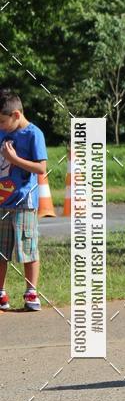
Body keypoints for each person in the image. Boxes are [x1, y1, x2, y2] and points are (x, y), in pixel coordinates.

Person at [0, 90, 48, 311]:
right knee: (2, 250)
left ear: (16, 115)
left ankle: (31, 292)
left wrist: (15, 159)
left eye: (3, 121)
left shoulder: (33, 134)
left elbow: (41, 168)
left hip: (24, 203)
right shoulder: (2, 132)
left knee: (28, 248)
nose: (1, 126)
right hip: (2, 201)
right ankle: (1, 293)